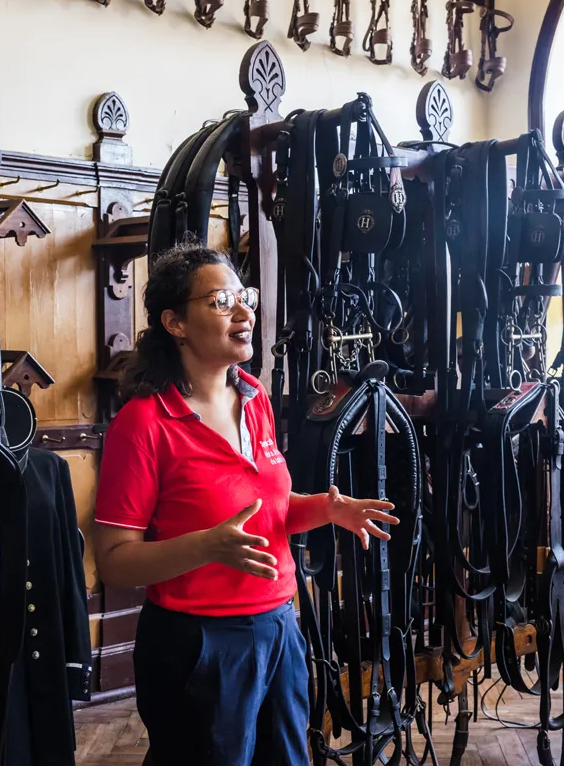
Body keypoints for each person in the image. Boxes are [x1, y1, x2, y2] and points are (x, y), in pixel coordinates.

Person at [93, 244, 398, 766]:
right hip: (199, 643)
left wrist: (323, 509)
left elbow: (264, 513)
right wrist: (207, 547)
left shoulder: (255, 399)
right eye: (221, 301)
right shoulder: (143, 424)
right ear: (175, 322)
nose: (244, 313)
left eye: (245, 298)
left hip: (277, 627)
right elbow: (115, 559)